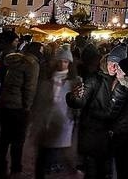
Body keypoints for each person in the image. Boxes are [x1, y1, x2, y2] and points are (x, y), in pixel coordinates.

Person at [66, 43, 126, 178]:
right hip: (93, 134)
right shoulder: (95, 79)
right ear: (106, 61)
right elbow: (79, 101)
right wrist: (75, 97)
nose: (113, 67)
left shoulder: (124, 83)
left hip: (112, 137)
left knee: (107, 172)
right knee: (92, 172)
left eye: (118, 64)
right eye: (112, 62)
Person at [31, 45, 81, 178]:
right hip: (46, 124)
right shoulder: (47, 80)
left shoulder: (75, 82)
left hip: (63, 124)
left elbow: (78, 104)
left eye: (65, 61)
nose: (62, 64)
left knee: (63, 156)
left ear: (69, 64)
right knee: (42, 159)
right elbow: (39, 102)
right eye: (59, 61)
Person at [0, 40, 42, 179]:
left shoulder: (13, 60)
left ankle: (1, 168)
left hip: (5, 103)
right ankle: (16, 169)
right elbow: (29, 88)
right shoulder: (32, 64)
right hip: (18, 106)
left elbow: (3, 81)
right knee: (18, 140)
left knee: (4, 137)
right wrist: (27, 106)